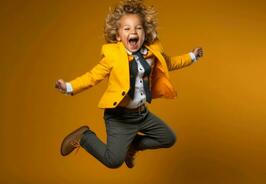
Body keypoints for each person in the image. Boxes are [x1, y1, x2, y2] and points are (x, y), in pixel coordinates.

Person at [55, 0, 203, 169]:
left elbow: (169, 63)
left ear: (145, 32)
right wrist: (68, 87)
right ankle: (84, 137)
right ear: (118, 35)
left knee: (168, 138)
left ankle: (132, 146)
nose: (133, 31)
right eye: (127, 29)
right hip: (119, 117)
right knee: (113, 161)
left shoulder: (151, 52)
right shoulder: (113, 57)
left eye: (138, 28)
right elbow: (91, 77)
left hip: (142, 114)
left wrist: (192, 56)